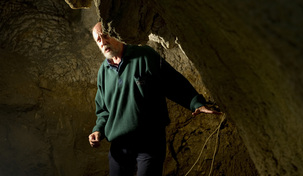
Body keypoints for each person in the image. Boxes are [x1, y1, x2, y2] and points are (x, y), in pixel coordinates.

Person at [88, 22, 221, 176]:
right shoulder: (102, 73)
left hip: (150, 141)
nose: (103, 42)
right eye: (98, 39)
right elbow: (103, 111)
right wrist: (98, 130)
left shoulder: (144, 55)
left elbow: (172, 82)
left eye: (105, 35)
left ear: (115, 33)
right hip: (120, 145)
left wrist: (195, 102)